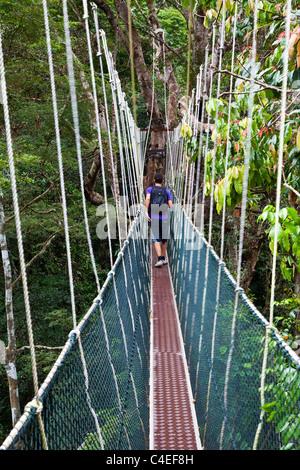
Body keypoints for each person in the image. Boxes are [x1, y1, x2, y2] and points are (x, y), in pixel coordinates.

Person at [145, 173, 173, 267]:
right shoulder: (166, 191)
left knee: (156, 238)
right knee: (164, 239)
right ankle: (163, 258)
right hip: (164, 217)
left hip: (154, 216)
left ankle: (160, 259)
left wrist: (146, 212)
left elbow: (148, 199)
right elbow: (170, 205)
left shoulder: (150, 189)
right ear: (163, 181)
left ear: (154, 180)